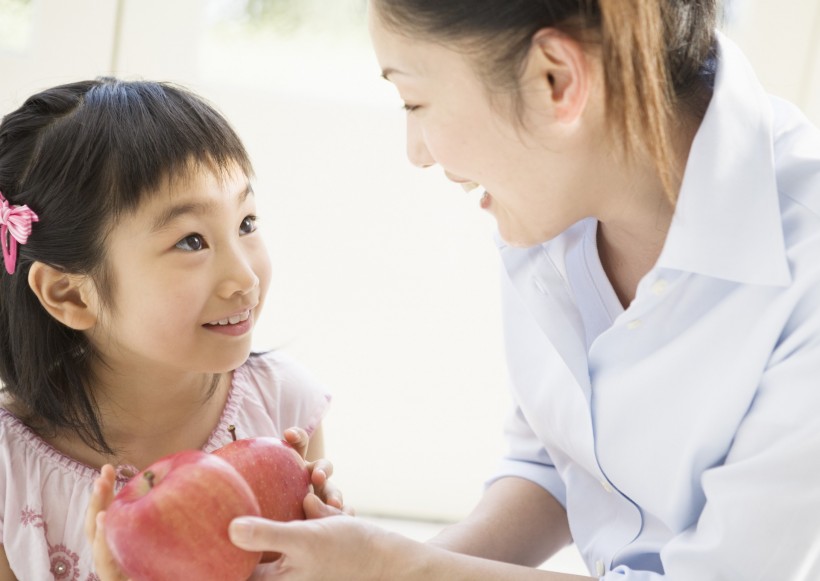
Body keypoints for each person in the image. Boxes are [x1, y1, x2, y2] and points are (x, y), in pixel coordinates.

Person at [224, 0, 820, 579]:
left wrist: (393, 565)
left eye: (415, 101)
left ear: (554, 80)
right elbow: (558, 469)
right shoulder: (559, 197)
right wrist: (364, 567)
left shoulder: (804, 270)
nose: (417, 152)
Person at [0, 78, 341, 579]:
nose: (245, 277)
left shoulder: (281, 407)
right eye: (191, 242)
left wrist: (331, 559)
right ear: (71, 294)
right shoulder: (13, 472)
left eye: (246, 223)